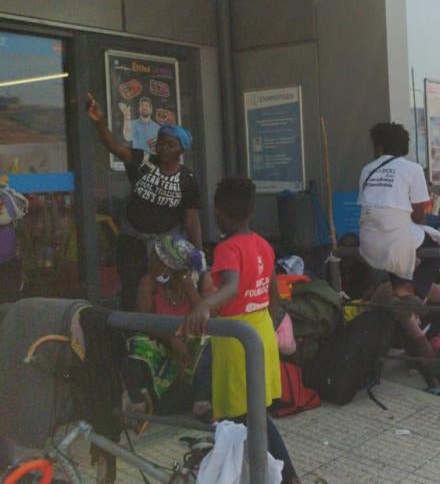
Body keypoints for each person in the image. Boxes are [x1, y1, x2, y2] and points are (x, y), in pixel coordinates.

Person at [180, 178, 298, 484]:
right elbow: (273, 295)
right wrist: (266, 325)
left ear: (218, 212)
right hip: (260, 330)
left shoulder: (227, 248)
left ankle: (285, 477)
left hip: (237, 339)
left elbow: (231, 288)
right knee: (253, 414)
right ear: (252, 210)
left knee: (246, 418)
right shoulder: (262, 244)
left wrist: (201, 306)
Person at [87, 93, 202, 312]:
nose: (164, 148)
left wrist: (198, 255)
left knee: (161, 292)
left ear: (181, 150)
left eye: (170, 144)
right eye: (160, 143)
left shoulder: (187, 178)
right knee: (132, 290)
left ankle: (160, 336)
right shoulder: (141, 161)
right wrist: (100, 122)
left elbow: (191, 219)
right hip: (132, 243)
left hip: (166, 247)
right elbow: (114, 146)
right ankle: (135, 336)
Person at [123, 234, 212, 421]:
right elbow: (144, 320)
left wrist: (190, 290)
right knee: (137, 343)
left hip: (189, 341)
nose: (150, 263)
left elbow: (206, 317)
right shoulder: (149, 282)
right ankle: (139, 403)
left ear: (170, 265)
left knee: (207, 342)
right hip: (162, 341)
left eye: (156, 259)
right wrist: (172, 340)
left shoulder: (196, 282)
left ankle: (201, 402)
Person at [357, 122, 440, 301]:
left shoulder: (367, 170)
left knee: (399, 247)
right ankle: (413, 295)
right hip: (397, 240)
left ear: (379, 148)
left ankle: (399, 289)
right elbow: (419, 215)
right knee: (435, 249)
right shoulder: (413, 169)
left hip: (368, 243)